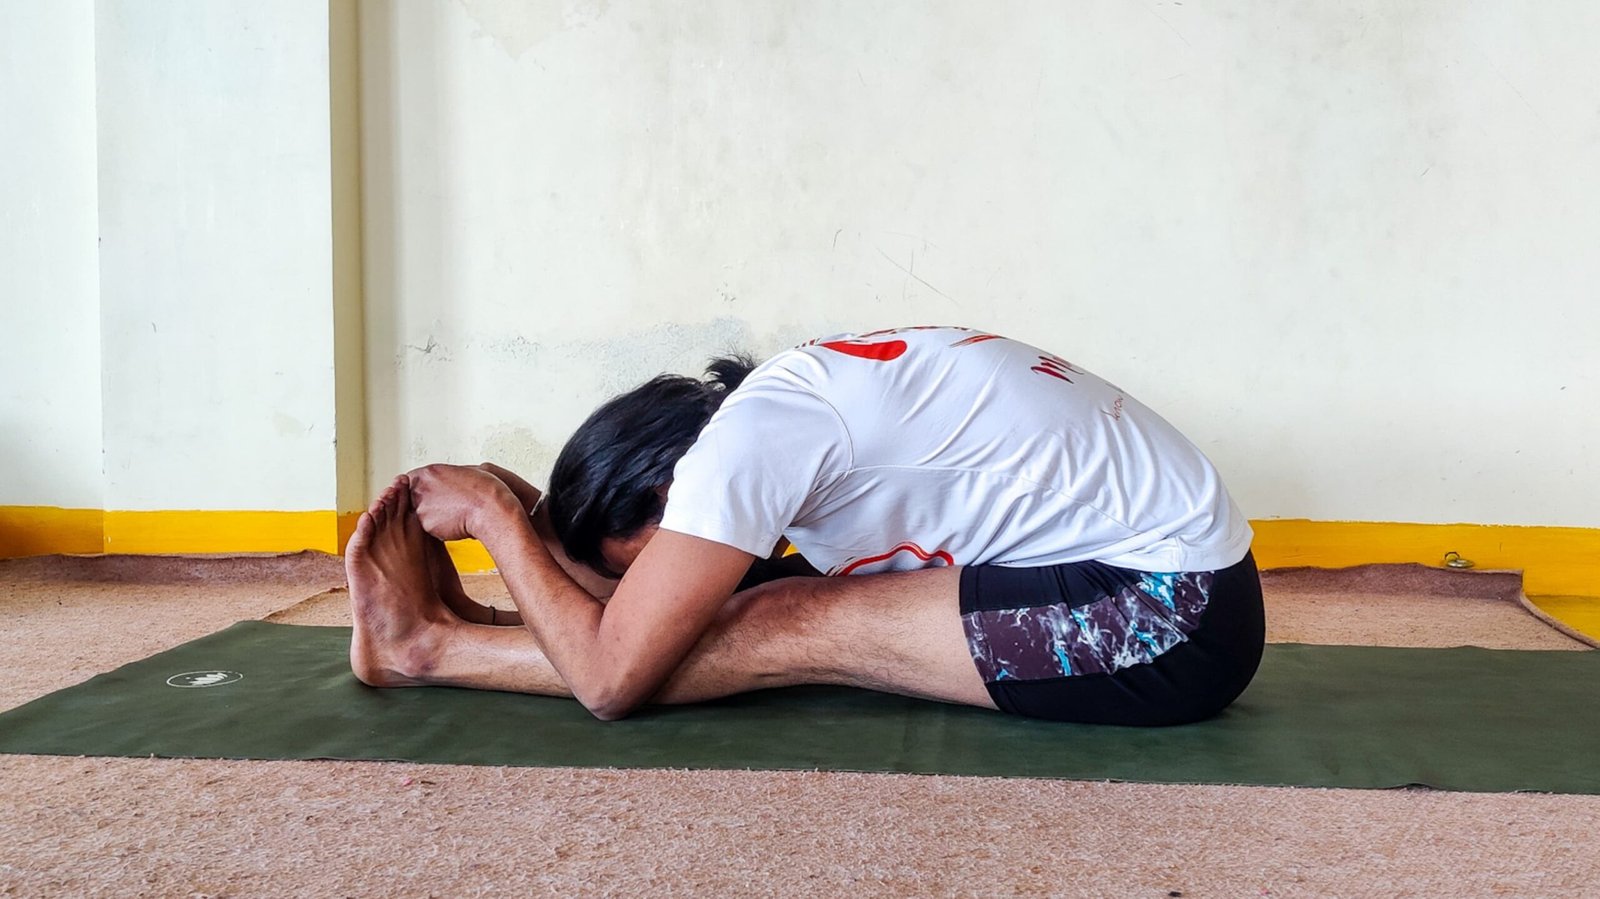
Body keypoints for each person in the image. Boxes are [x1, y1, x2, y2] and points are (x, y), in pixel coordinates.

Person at [347, 325, 1264, 724]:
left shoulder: (743, 450)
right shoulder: (783, 403)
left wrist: (500, 520)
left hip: (1164, 620)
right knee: (738, 600)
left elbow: (609, 678)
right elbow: (669, 603)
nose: (654, 581)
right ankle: (491, 628)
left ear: (670, 485)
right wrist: (540, 543)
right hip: (1173, 585)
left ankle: (425, 649)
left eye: (645, 562)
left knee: (774, 620)